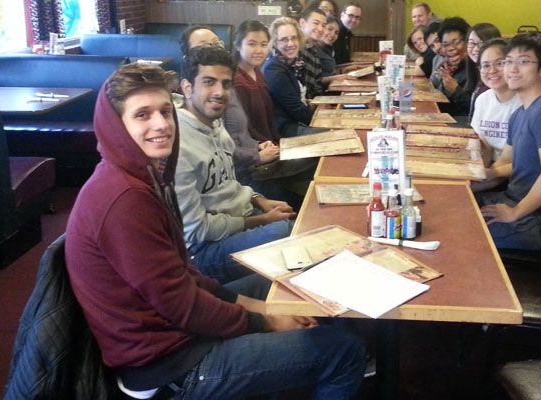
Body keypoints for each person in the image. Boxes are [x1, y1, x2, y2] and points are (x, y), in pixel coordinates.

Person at [65, 62, 365, 399]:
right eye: (142, 115)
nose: (161, 124)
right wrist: (266, 321)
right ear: (115, 126)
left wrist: (264, 310)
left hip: (179, 334)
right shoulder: (124, 199)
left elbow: (186, 277)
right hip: (167, 364)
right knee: (343, 351)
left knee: (281, 285)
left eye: (165, 111)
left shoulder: (142, 177)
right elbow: (183, 307)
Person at [175, 47, 296, 283]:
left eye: (226, 84)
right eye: (209, 82)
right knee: (289, 233)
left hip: (239, 219)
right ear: (187, 88)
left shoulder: (215, 123)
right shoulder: (178, 143)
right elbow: (196, 230)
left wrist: (259, 200)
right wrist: (261, 220)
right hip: (204, 251)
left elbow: (229, 183)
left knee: (302, 222)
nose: (220, 92)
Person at [477, 33, 541, 251]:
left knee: (455, 229)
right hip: (511, 198)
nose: (512, 69)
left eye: (523, 62)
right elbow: (506, 162)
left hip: (533, 218)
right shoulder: (520, 112)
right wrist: (477, 176)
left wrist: (515, 213)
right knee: (450, 208)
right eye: (508, 61)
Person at [230, 20, 316, 210]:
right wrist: (264, 147)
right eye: (252, 44)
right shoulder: (236, 81)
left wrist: (276, 143)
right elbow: (244, 129)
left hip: (271, 145)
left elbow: (267, 119)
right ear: (237, 45)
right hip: (254, 164)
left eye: (263, 44)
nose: (258, 50)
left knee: (318, 161)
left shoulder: (258, 73)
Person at [470, 38, 522, 192]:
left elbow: (514, 161)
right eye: (486, 65)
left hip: (512, 175)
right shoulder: (483, 99)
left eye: (500, 63)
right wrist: (479, 172)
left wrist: (485, 177)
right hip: (490, 169)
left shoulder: (523, 103)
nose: (492, 71)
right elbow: (484, 144)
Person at [263, 17, 314, 137]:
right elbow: (297, 111)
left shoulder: (293, 64)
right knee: (338, 133)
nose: (290, 44)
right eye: (284, 40)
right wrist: (324, 120)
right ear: (275, 43)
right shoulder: (274, 69)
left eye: (294, 38)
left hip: (295, 122)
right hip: (284, 130)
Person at [432, 17, 472, 117]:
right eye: (445, 45)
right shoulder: (450, 67)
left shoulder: (477, 68)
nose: (450, 48)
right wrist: (444, 80)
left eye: (456, 42)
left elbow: (476, 108)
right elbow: (442, 101)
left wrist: (456, 90)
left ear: (467, 42)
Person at [464, 23, 502, 117]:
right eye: (472, 43)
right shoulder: (475, 71)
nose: (476, 49)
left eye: (482, 44)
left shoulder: (496, 77)